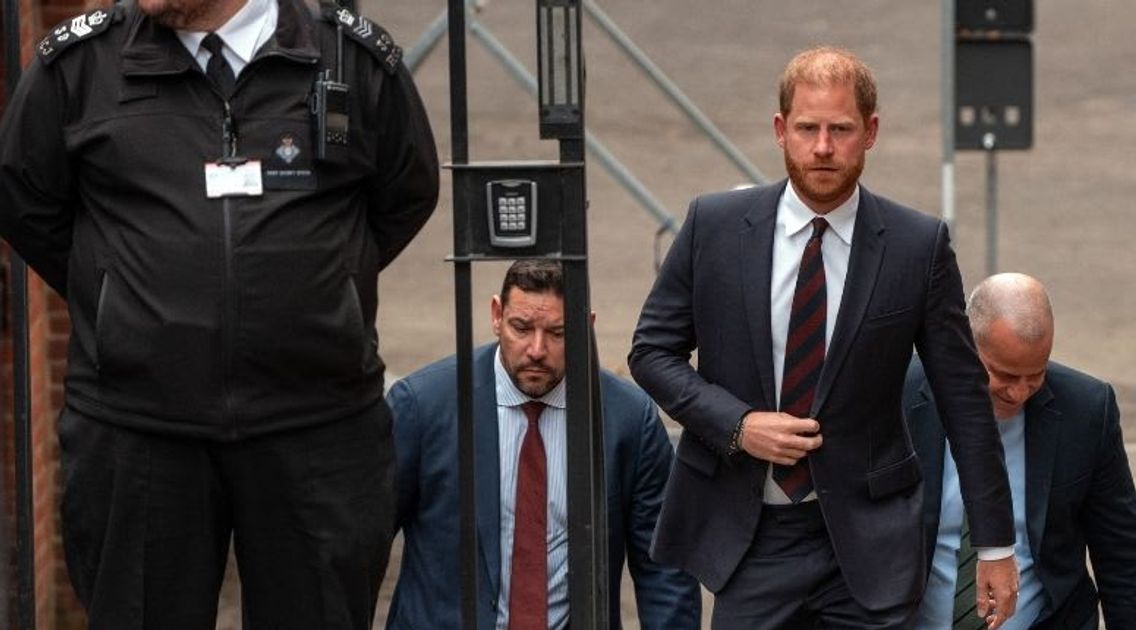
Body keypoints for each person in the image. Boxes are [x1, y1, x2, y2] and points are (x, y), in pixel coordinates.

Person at [0, 0, 439, 626]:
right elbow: (24, 199)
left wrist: (320, 288)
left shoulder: (350, 61)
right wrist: (122, 292)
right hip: (137, 427)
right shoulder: (80, 66)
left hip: (316, 423)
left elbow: (406, 192)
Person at [628, 46, 1018, 629]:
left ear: (871, 132)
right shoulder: (714, 227)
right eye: (808, 128)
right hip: (750, 534)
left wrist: (994, 545)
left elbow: (964, 399)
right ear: (781, 130)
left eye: (842, 129)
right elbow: (652, 352)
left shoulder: (918, 246)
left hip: (870, 543)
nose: (824, 148)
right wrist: (737, 425)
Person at [385, 259, 701, 630]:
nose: (537, 349)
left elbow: (664, 565)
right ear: (496, 316)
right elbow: (362, 546)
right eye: (522, 327)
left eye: (557, 332)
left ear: (587, 327)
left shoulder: (628, 419)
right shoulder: (423, 406)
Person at [907, 273, 1136, 629]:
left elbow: (1122, 554)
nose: (1020, 393)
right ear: (965, 344)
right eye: (1005, 375)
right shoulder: (898, 393)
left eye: (1036, 375)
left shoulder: (1086, 411)